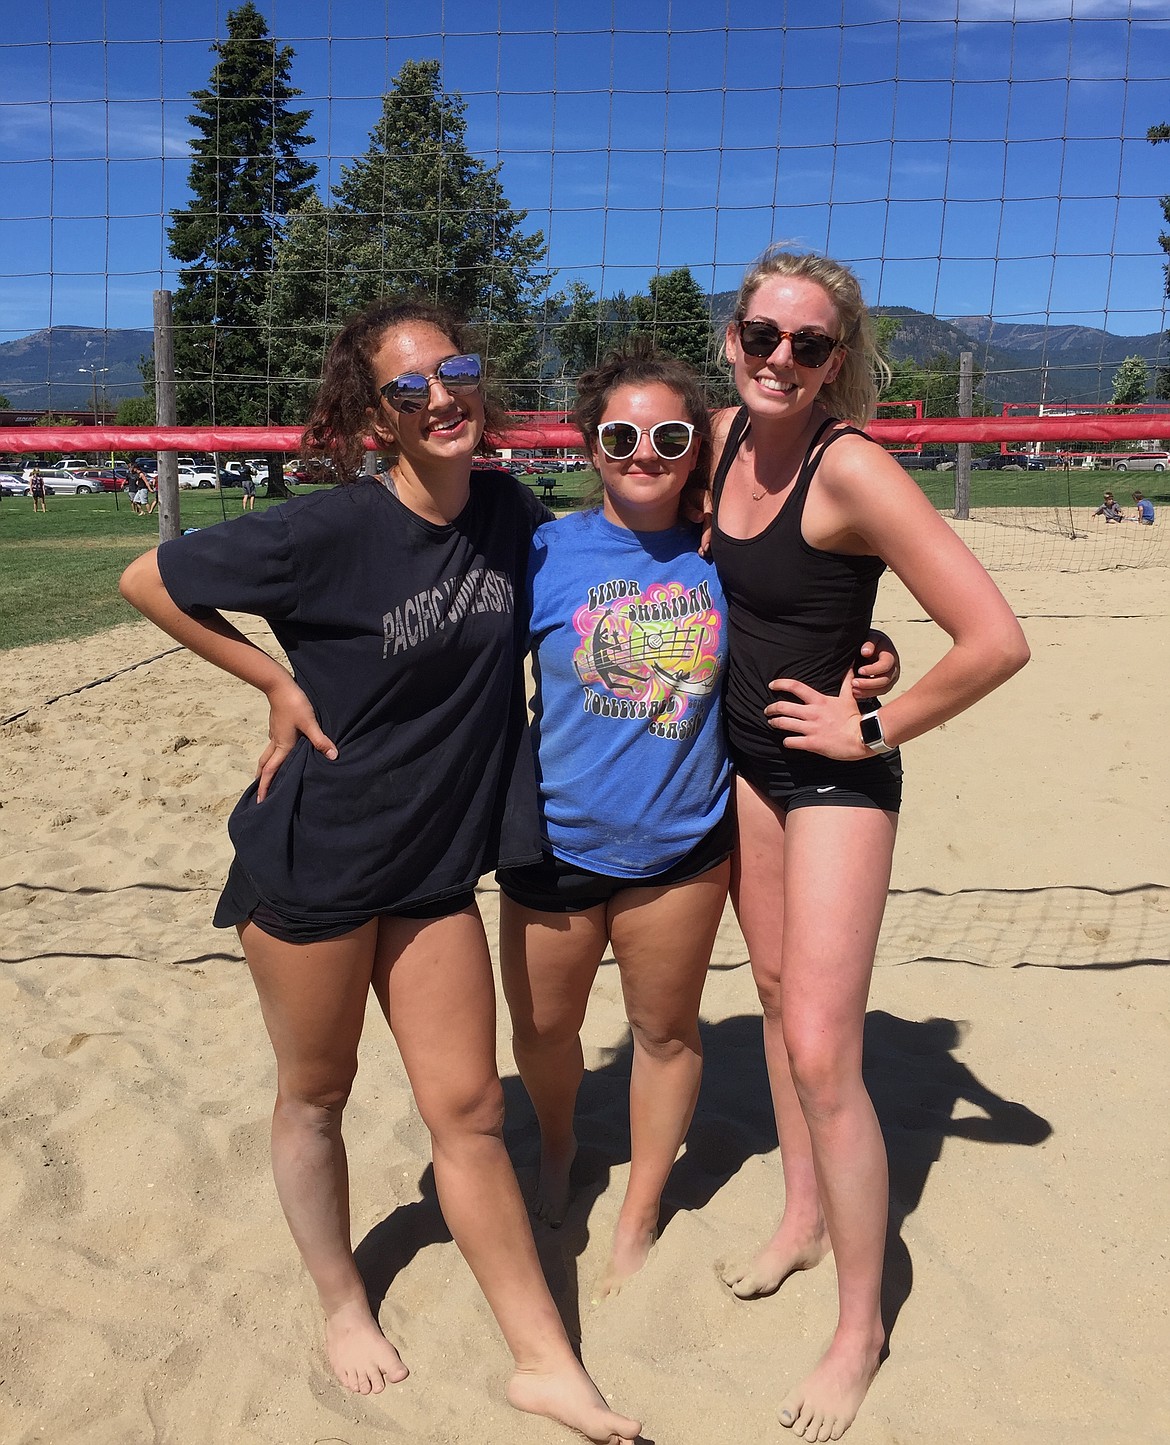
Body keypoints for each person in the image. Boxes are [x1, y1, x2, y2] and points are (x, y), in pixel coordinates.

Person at [119, 297, 640, 1445]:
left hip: (433, 867)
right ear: (375, 416)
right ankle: (343, 1302)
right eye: (411, 387)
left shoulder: (505, 508)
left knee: (465, 1108)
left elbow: (611, 565)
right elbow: (148, 579)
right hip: (315, 857)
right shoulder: (324, 531)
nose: (443, 394)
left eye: (456, 368)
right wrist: (271, 681)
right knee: (317, 1094)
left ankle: (547, 1364)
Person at [708, 247, 1030, 1441]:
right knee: (782, 992)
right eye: (762, 335)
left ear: (841, 363)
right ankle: (800, 1215)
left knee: (821, 1047)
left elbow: (996, 638)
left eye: (808, 343)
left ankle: (860, 1327)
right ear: (733, 339)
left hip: (835, 775)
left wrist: (873, 715)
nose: (780, 358)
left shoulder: (853, 469)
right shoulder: (721, 438)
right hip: (744, 760)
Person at [497, 340, 898, 1301]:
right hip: (553, 841)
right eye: (621, 434)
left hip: (681, 847)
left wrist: (869, 661)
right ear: (589, 443)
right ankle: (558, 1146)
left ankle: (640, 1209)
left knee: (664, 1033)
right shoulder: (543, 553)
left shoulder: (723, 556)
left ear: (697, 449)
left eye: (670, 434)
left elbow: (811, 619)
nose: (644, 451)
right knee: (545, 1034)